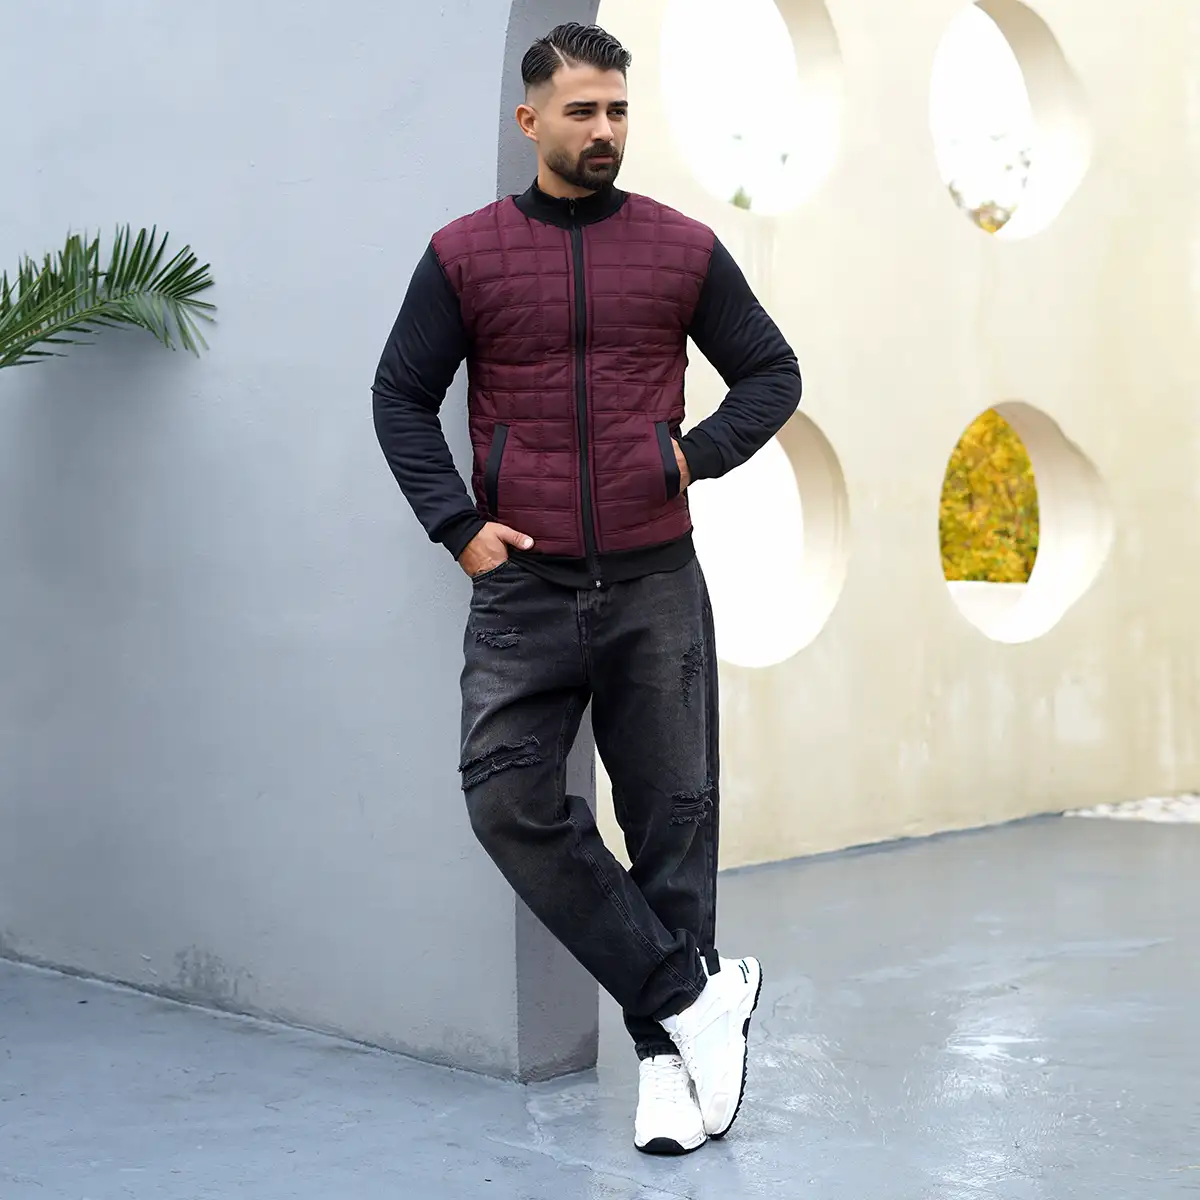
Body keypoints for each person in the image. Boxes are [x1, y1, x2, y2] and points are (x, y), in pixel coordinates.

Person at [372, 22, 801, 1155]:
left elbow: (772, 372)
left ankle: (667, 1068)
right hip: (525, 588)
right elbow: (399, 395)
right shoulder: (465, 254)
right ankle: (694, 998)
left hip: (657, 581)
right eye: (582, 111)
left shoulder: (681, 248)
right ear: (531, 122)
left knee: (673, 823)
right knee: (507, 802)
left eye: (616, 109)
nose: (604, 129)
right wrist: (457, 526)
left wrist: (691, 458)